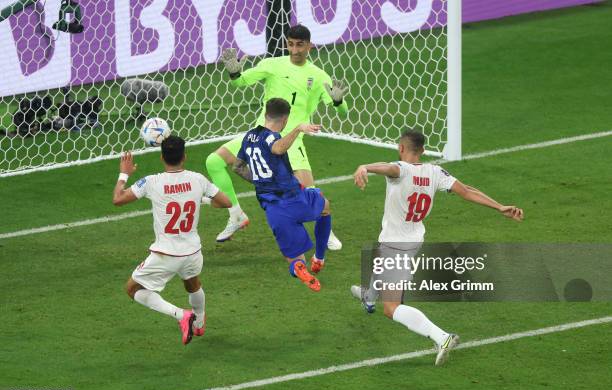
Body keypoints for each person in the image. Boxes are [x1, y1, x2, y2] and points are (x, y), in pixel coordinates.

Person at [350, 129, 524, 365]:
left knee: (392, 308)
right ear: (422, 150)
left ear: (401, 149)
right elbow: (467, 191)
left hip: (396, 244)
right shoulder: (435, 172)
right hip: (413, 239)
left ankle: (441, 336)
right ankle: (369, 296)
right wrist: (499, 206)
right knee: (380, 258)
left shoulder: (400, 170)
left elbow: (389, 168)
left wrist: (365, 167)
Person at [207, 24, 347, 248]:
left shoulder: (319, 76)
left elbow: (342, 110)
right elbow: (240, 82)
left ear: (309, 46)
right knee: (214, 161)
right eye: (291, 44)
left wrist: (339, 101)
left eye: (300, 45)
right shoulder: (271, 65)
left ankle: (326, 232)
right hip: (259, 136)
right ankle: (236, 214)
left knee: (310, 192)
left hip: (292, 139)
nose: (295, 50)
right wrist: (233, 72)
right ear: (286, 44)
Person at [112, 136, 231, 345]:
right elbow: (225, 202)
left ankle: (181, 315)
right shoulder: (197, 179)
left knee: (132, 289)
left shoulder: (152, 182)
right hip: (193, 252)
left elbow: (118, 199)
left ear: (161, 157)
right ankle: (200, 323)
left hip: (165, 254)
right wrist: (198, 198)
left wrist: (124, 174)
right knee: (192, 284)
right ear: (184, 156)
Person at [232, 98, 332, 292]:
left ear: (265, 114)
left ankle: (300, 268)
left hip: (272, 208)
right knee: (325, 206)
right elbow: (277, 148)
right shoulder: (272, 137)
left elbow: (237, 167)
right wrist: (297, 129)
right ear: (285, 119)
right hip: (294, 197)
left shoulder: (249, 136)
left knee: (295, 260)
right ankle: (319, 258)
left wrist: (260, 180)